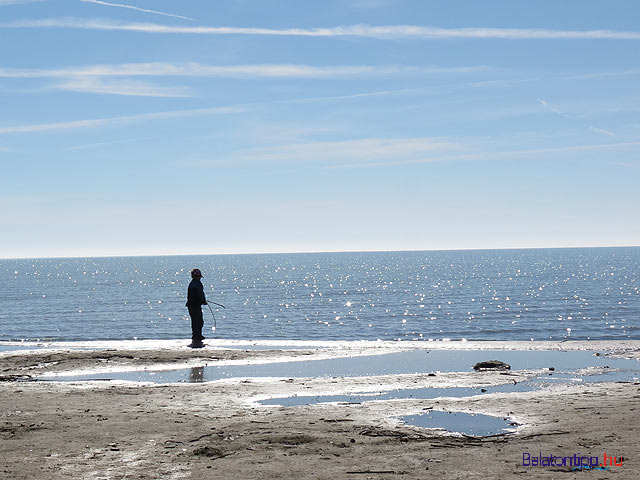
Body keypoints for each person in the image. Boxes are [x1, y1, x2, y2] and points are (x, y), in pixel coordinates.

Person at [186, 268, 207, 347]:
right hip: (195, 306)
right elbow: (200, 293)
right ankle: (197, 336)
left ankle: (195, 336)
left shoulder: (191, 284)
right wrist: (204, 301)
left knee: (194, 321)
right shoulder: (197, 284)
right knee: (199, 321)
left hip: (190, 305)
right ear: (198, 276)